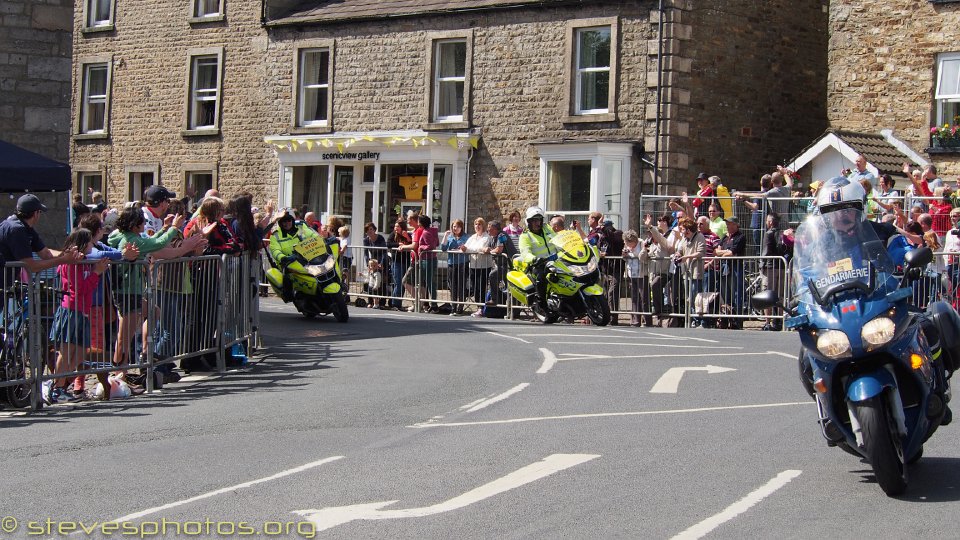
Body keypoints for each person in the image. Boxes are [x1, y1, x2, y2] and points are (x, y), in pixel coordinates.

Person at [43, 228, 110, 404]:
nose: (92, 245)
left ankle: (57, 383)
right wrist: (96, 273)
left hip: (82, 310)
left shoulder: (84, 261)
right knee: (66, 352)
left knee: (80, 353)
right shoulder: (72, 263)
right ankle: (57, 388)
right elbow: (79, 288)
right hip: (71, 310)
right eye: (89, 242)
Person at [0, 194, 82, 282]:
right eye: (40, 212)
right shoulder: (17, 230)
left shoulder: (25, 227)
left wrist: (66, 254)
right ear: (35, 213)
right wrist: (64, 260)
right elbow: (31, 266)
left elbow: (46, 254)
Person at [268, 208, 321, 302]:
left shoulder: (300, 229)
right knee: (288, 277)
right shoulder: (276, 235)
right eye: (283, 221)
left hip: (307, 258)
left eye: (288, 220)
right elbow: (275, 250)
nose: (286, 223)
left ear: (292, 220)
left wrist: (323, 241)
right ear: (280, 222)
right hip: (289, 262)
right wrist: (282, 257)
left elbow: (313, 236)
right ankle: (290, 295)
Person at [518, 206, 558, 312]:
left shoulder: (547, 229)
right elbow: (525, 253)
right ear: (529, 222)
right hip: (539, 264)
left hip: (556, 261)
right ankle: (542, 303)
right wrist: (535, 259)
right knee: (541, 277)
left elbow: (557, 240)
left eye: (539, 220)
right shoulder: (525, 236)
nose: (537, 223)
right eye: (534, 221)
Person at [714, 215, 746, 328]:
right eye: (727, 224)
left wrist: (724, 252)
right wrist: (724, 252)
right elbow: (716, 251)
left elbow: (732, 253)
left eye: (730, 224)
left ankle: (737, 320)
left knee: (736, 294)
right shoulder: (724, 237)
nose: (727, 226)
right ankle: (726, 318)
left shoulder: (740, 237)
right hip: (724, 268)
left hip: (736, 268)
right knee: (724, 294)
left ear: (736, 225)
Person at [596, 220, 624, 325]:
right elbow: (599, 248)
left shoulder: (618, 233)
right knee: (606, 293)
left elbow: (612, 238)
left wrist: (604, 229)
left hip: (616, 268)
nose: (603, 230)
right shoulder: (602, 238)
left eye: (605, 227)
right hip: (605, 268)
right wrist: (600, 253)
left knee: (613, 292)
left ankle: (614, 317)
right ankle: (606, 315)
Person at [622, 229, 651, 327]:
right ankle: (636, 320)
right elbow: (625, 257)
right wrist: (625, 255)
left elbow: (642, 257)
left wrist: (638, 251)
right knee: (634, 298)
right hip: (631, 273)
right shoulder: (626, 244)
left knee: (644, 298)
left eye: (629, 243)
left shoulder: (642, 243)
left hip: (642, 274)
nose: (629, 246)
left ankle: (647, 320)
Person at [441, 219, 469, 314]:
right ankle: (453, 306)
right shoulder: (450, 237)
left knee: (461, 285)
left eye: (457, 226)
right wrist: (445, 236)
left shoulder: (465, 237)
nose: (455, 228)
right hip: (452, 263)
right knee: (453, 286)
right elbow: (443, 248)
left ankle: (460, 306)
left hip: (462, 263)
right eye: (453, 226)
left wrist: (462, 248)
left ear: (461, 227)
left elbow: (466, 248)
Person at [464, 217, 492, 314]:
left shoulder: (486, 237)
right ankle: (478, 307)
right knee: (475, 287)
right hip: (473, 265)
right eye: (476, 224)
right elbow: (467, 247)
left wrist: (469, 249)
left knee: (481, 286)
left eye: (479, 224)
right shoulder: (472, 237)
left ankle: (481, 307)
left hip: (483, 266)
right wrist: (467, 249)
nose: (477, 226)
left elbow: (479, 248)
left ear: (483, 226)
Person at [385, 219, 411, 310]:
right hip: (396, 261)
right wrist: (398, 244)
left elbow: (412, 243)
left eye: (398, 226)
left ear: (402, 227)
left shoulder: (407, 234)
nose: (396, 228)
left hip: (406, 261)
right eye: (395, 226)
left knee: (403, 283)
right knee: (398, 282)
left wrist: (407, 237)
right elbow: (388, 244)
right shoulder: (393, 234)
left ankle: (398, 302)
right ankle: (395, 303)